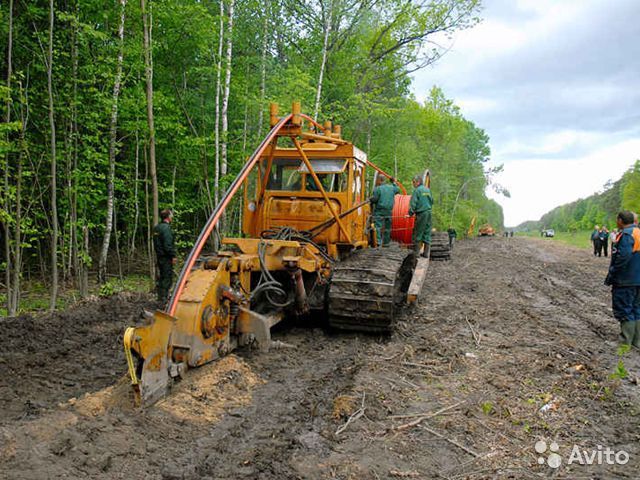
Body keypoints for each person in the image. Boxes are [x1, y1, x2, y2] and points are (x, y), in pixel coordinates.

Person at [605, 211, 640, 346]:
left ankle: (625, 342)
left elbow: (623, 257)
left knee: (624, 309)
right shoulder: (638, 232)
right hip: (637, 279)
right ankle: (636, 342)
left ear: (620, 220)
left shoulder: (626, 235)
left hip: (626, 280)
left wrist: (612, 274)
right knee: (636, 309)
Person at [153, 209, 177, 304]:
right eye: (171, 215)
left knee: (162, 277)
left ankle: (160, 297)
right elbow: (167, 245)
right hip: (166, 258)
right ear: (168, 217)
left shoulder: (157, 228)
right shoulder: (166, 229)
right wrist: (173, 256)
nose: (172, 217)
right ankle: (163, 300)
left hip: (159, 257)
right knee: (167, 278)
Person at [370, 175, 400, 247]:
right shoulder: (392, 188)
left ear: (379, 180)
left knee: (378, 226)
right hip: (389, 211)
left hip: (379, 211)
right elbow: (398, 189)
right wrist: (394, 182)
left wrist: (370, 200)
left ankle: (378, 243)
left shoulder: (378, 189)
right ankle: (386, 243)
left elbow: (375, 199)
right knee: (387, 227)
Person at [409, 175, 433, 258]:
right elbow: (432, 201)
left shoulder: (417, 191)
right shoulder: (427, 190)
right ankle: (426, 253)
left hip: (421, 214)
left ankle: (416, 254)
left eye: (414, 182)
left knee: (418, 233)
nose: (413, 184)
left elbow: (413, 203)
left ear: (418, 182)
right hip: (429, 213)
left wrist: (410, 213)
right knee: (427, 232)